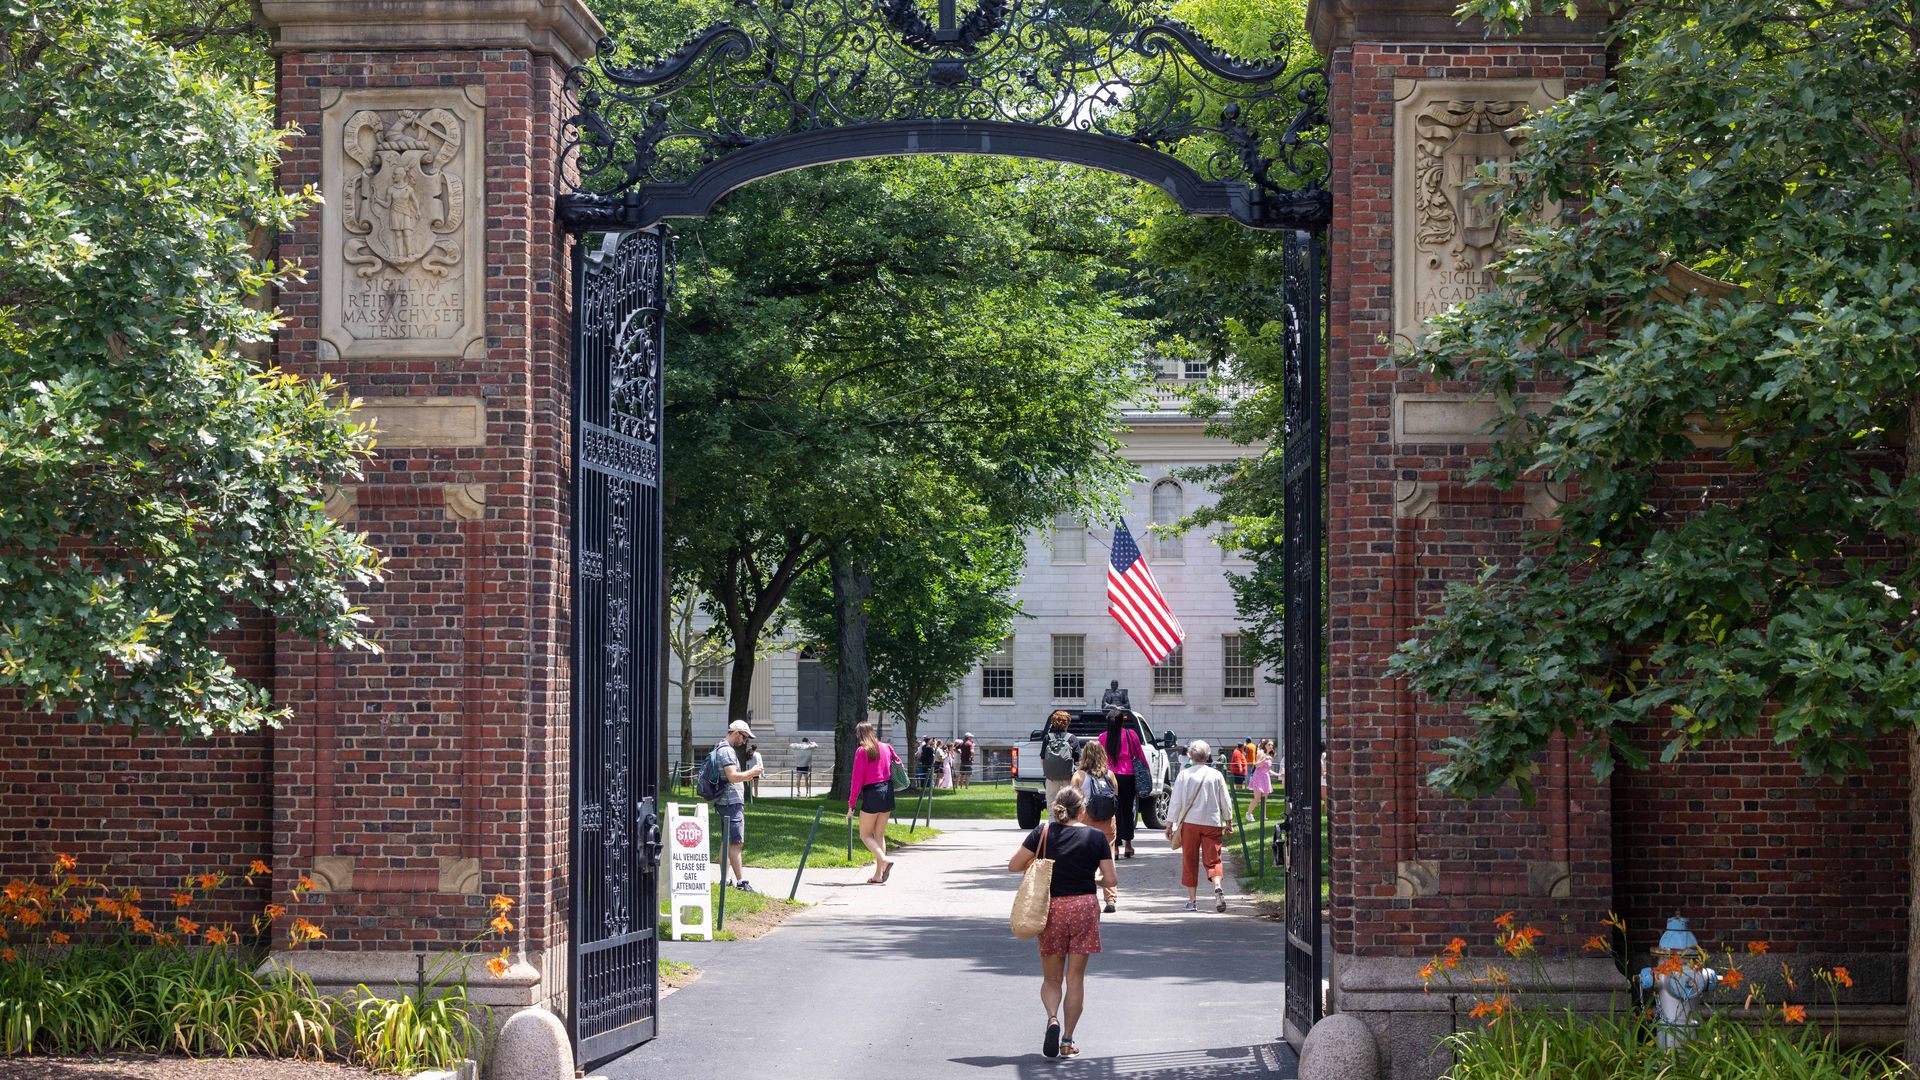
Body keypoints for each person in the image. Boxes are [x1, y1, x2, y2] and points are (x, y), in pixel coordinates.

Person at [1008, 787, 1117, 1060]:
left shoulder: (1043, 832)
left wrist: (1040, 866)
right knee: (1075, 978)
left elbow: (1014, 865)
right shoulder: (1096, 837)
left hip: (1052, 908)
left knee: (1052, 978)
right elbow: (1111, 879)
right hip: (1084, 907)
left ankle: (1052, 1018)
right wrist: (1092, 881)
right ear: (1082, 810)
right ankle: (1067, 1041)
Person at [1167, 740, 1233, 912]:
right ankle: (1217, 886)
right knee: (1214, 859)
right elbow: (1225, 800)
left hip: (1190, 823)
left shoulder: (1184, 775)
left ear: (1190, 755)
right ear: (1208, 755)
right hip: (1212, 822)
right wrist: (1228, 820)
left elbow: (1176, 802)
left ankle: (1192, 901)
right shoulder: (1216, 775)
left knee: (1189, 860)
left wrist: (1169, 823)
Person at [846, 720, 901, 884]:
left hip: (872, 792)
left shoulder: (862, 751)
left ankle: (884, 860)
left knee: (865, 834)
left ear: (859, 735)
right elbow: (898, 763)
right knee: (879, 834)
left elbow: (857, 780)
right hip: (888, 791)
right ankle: (879, 875)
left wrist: (851, 805)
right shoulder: (886, 747)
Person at [713, 719, 765, 892]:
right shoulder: (727, 751)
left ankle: (725, 880)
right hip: (730, 801)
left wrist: (747, 776)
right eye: (744, 737)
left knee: (726, 841)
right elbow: (732, 776)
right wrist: (752, 772)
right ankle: (741, 882)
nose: (744, 742)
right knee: (736, 843)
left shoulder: (719, 746)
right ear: (736, 733)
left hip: (725, 801)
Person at [1071, 741, 1120, 913]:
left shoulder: (1078, 776)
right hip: (1107, 821)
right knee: (1109, 858)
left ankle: (1085, 894)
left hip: (1086, 821)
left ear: (1084, 755)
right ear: (1103, 755)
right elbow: (1115, 798)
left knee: (1085, 859)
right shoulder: (1111, 775)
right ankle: (1111, 898)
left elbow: (1073, 802)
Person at [1097, 710, 1145, 859]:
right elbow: (1140, 755)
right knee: (1127, 810)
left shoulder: (1103, 737)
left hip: (1110, 776)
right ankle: (1128, 846)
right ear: (1122, 721)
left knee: (1113, 811)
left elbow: (1100, 758)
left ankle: (1115, 847)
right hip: (1128, 776)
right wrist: (1145, 772)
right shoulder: (1131, 735)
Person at [1041, 710, 1078, 803]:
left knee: (1052, 805)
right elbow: (1077, 760)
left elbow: (1042, 759)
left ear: (1053, 723)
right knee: (1068, 805)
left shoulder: (1047, 738)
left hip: (1051, 779)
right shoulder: (1072, 738)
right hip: (1068, 778)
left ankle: (1053, 818)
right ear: (1067, 723)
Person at [1247, 739, 1274, 824]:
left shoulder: (1269, 755)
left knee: (1264, 799)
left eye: (1272, 745)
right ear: (1265, 745)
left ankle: (1263, 817)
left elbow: (1268, 770)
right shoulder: (1261, 753)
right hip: (1258, 777)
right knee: (1257, 798)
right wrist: (1265, 758)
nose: (1271, 746)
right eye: (1269, 744)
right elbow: (1257, 765)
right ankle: (1249, 814)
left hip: (1266, 778)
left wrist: (1279, 774)